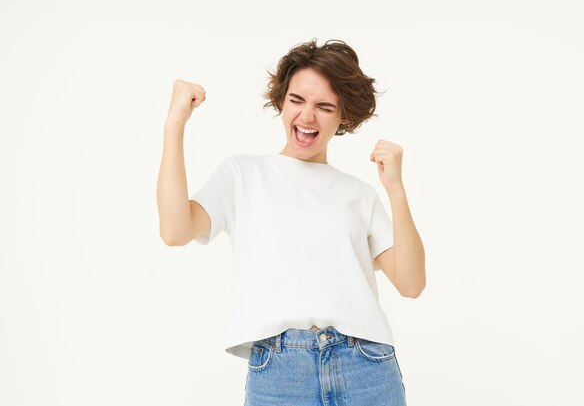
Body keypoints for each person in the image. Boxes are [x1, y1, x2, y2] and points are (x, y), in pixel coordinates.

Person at [157, 39, 426, 406]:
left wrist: (395, 190)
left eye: (324, 107)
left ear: (344, 116)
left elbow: (411, 284)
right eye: (297, 100)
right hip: (280, 373)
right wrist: (175, 124)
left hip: (366, 367)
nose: (307, 117)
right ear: (282, 100)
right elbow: (174, 230)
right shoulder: (243, 174)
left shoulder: (359, 194)